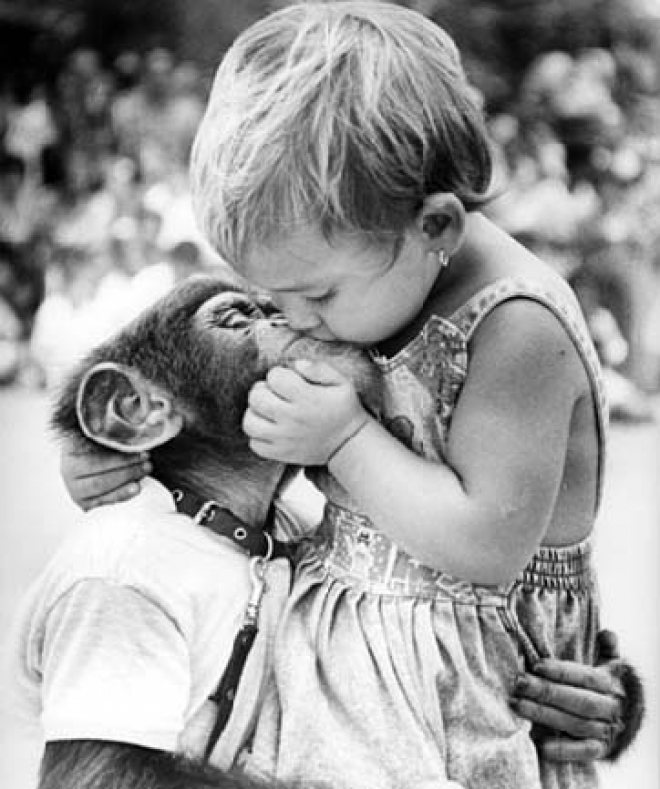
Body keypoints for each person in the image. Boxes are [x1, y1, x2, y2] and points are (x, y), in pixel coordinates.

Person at [60, 4, 643, 789]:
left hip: (459, 717)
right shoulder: (368, 275)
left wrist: (345, 442)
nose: (291, 322)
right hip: (345, 701)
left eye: (313, 296)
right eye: (266, 297)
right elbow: (182, 390)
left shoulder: (515, 328)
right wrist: (105, 451)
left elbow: (487, 548)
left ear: (436, 226)